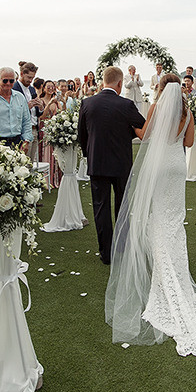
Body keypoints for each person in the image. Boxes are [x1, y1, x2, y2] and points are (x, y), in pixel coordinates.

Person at [105, 75, 196, 356]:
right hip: (178, 164)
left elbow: (147, 135)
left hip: (160, 164)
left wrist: (131, 127)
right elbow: (189, 143)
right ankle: (177, 265)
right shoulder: (187, 112)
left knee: (158, 216)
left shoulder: (155, 107)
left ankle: (165, 267)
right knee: (175, 219)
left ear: (162, 89)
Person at [78, 66, 146, 265]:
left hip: (97, 161)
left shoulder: (87, 103)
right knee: (122, 206)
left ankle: (105, 253)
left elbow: (82, 134)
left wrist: (89, 154)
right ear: (119, 83)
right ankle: (122, 248)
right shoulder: (126, 104)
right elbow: (142, 127)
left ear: (103, 82)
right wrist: (127, 133)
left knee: (101, 208)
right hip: (121, 163)